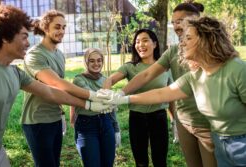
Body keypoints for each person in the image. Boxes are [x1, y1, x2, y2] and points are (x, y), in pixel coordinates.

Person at [0, 5, 110, 167]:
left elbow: (50, 92)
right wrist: (92, 97)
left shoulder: (14, 72)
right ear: (5, 37)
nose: (27, 43)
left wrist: (89, 104)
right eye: (24, 37)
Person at [100, 16, 246, 167]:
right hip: (220, 144)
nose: (182, 42)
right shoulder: (195, 76)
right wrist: (121, 98)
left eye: (188, 38)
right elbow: (162, 93)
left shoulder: (237, 70)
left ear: (206, 39)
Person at [21, 10, 109, 167]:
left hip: (55, 118)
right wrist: (92, 97)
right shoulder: (34, 55)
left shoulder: (59, 54)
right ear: (45, 28)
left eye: (63, 27)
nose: (61, 31)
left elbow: (59, 91)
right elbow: (56, 83)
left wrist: (62, 113)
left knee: (55, 163)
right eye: (57, 27)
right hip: (38, 120)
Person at [102, 29, 174, 167]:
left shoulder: (165, 67)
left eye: (145, 40)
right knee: (140, 161)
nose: (141, 44)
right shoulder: (130, 67)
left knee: (160, 160)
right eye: (137, 42)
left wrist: (174, 120)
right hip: (137, 118)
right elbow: (110, 79)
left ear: (155, 44)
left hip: (159, 117)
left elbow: (171, 95)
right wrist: (105, 92)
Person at [69, 48, 120, 167]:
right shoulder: (79, 79)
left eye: (99, 60)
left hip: (107, 123)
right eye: (92, 61)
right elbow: (92, 95)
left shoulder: (105, 79)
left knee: (108, 163)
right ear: (86, 62)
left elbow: (110, 107)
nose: (96, 64)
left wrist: (116, 128)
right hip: (87, 126)